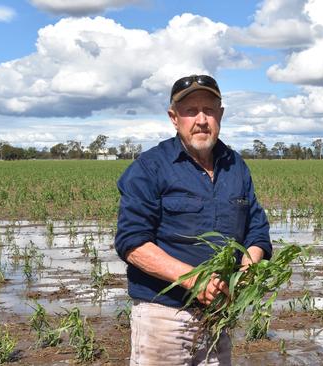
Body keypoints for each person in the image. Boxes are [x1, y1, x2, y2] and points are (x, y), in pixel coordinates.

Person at [114, 74, 272, 366]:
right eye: (190, 111)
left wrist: (248, 267)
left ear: (220, 115)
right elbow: (132, 243)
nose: (201, 119)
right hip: (163, 315)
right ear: (174, 118)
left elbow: (257, 230)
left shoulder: (235, 166)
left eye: (209, 110)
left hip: (218, 316)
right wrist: (194, 280)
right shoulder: (150, 167)